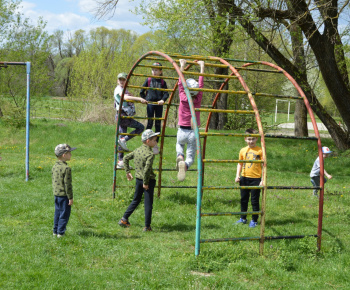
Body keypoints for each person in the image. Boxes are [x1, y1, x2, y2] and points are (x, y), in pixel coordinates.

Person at [118, 129, 159, 232]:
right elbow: (147, 170)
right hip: (147, 181)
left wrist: (128, 172)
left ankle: (124, 219)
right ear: (148, 141)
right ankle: (147, 226)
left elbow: (126, 158)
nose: (156, 142)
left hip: (138, 180)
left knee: (136, 200)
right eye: (154, 140)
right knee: (148, 203)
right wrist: (146, 183)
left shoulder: (137, 150)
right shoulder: (150, 154)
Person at [176, 59, 205, 181]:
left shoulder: (183, 96)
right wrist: (202, 67)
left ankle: (180, 156)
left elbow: (180, 83)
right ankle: (186, 164)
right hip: (193, 131)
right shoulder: (197, 99)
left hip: (182, 130)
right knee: (191, 157)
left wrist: (182, 65)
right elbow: (201, 84)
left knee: (179, 144)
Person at [115, 72, 148, 168]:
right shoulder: (119, 89)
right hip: (122, 116)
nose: (122, 81)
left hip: (124, 116)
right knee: (141, 127)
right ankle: (123, 140)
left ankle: (120, 161)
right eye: (120, 79)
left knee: (121, 137)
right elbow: (125, 98)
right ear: (117, 81)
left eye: (123, 80)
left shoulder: (124, 90)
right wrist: (139, 98)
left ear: (126, 81)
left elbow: (128, 97)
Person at [235, 128, 263, 228]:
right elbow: (240, 163)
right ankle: (243, 218)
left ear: (257, 139)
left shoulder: (260, 151)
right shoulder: (243, 150)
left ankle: (254, 220)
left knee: (254, 200)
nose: (251, 141)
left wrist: (263, 180)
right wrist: (237, 175)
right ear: (245, 139)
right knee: (243, 199)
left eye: (253, 139)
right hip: (244, 178)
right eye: (249, 139)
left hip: (256, 179)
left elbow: (264, 166)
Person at [140, 62, 169, 154]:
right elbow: (141, 91)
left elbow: (166, 93)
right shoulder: (148, 80)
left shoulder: (162, 82)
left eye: (156, 70)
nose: (154, 72)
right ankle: (146, 144)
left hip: (158, 104)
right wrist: (144, 99)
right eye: (153, 70)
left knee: (157, 124)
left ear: (160, 71)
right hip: (150, 104)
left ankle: (155, 144)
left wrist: (163, 100)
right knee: (149, 123)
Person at [52, 143, 77, 237]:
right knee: (64, 215)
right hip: (64, 196)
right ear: (64, 155)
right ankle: (60, 233)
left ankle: (55, 231)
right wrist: (70, 198)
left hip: (56, 194)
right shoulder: (66, 168)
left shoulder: (54, 166)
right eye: (69, 153)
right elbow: (68, 185)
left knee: (57, 213)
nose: (71, 154)